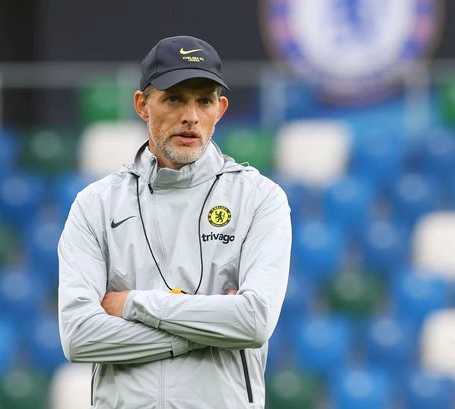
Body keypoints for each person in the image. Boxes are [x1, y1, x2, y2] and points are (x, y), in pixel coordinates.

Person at [58, 35, 291, 409]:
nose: (191, 116)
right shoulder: (95, 204)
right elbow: (79, 336)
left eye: (204, 101)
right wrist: (212, 328)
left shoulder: (260, 198)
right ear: (142, 105)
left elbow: (254, 322)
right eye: (174, 99)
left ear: (221, 109)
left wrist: (133, 304)